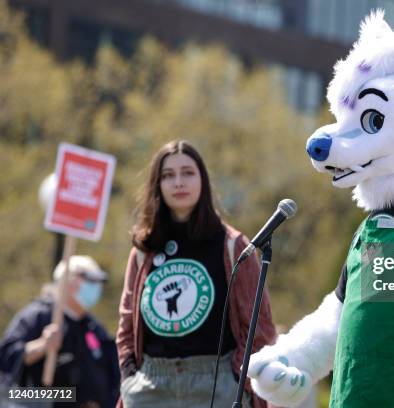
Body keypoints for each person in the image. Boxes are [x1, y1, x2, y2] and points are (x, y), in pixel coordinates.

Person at [116, 140, 276, 408]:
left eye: (188, 173)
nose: (178, 182)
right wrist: (130, 376)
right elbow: (126, 325)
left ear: (203, 180)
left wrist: (239, 381)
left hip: (217, 386)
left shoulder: (232, 245)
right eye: (168, 175)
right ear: (157, 185)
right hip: (150, 388)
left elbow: (259, 328)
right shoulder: (144, 251)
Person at [0, 255, 120, 408]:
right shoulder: (37, 316)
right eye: (90, 280)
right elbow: (7, 359)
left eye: (99, 282)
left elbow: (112, 375)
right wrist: (43, 346)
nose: (97, 287)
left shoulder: (93, 327)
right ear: (67, 282)